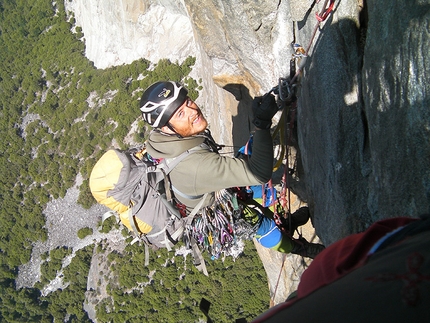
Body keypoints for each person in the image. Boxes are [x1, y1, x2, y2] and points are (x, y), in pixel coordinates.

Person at [139, 81, 324, 258]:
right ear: (166, 127)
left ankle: (285, 222)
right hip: (212, 209)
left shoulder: (162, 140)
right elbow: (259, 173)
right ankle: (301, 248)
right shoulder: (195, 166)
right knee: (263, 225)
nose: (193, 111)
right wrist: (262, 124)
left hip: (207, 185)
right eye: (180, 114)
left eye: (188, 102)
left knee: (261, 191)